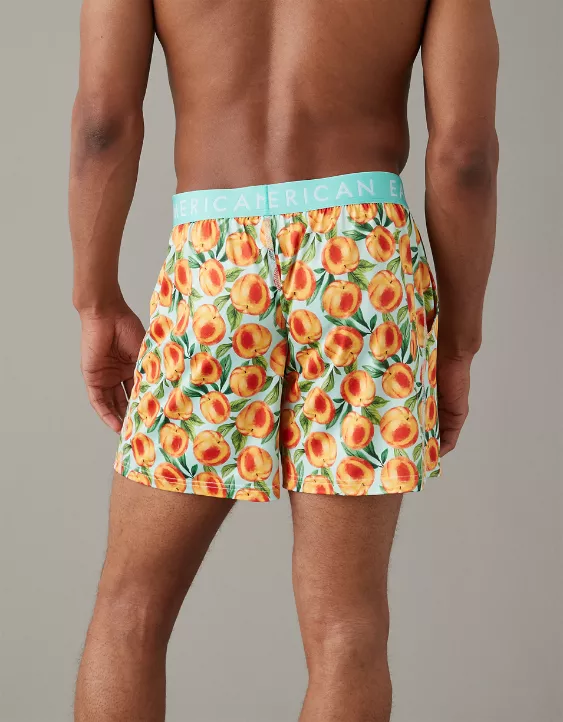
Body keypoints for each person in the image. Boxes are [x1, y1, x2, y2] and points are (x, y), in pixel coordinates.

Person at [69, 0, 498, 719]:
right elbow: (464, 158)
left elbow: (102, 125)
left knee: (130, 610)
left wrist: (95, 300)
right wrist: (457, 341)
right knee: (346, 629)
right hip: (363, 262)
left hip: (215, 262)